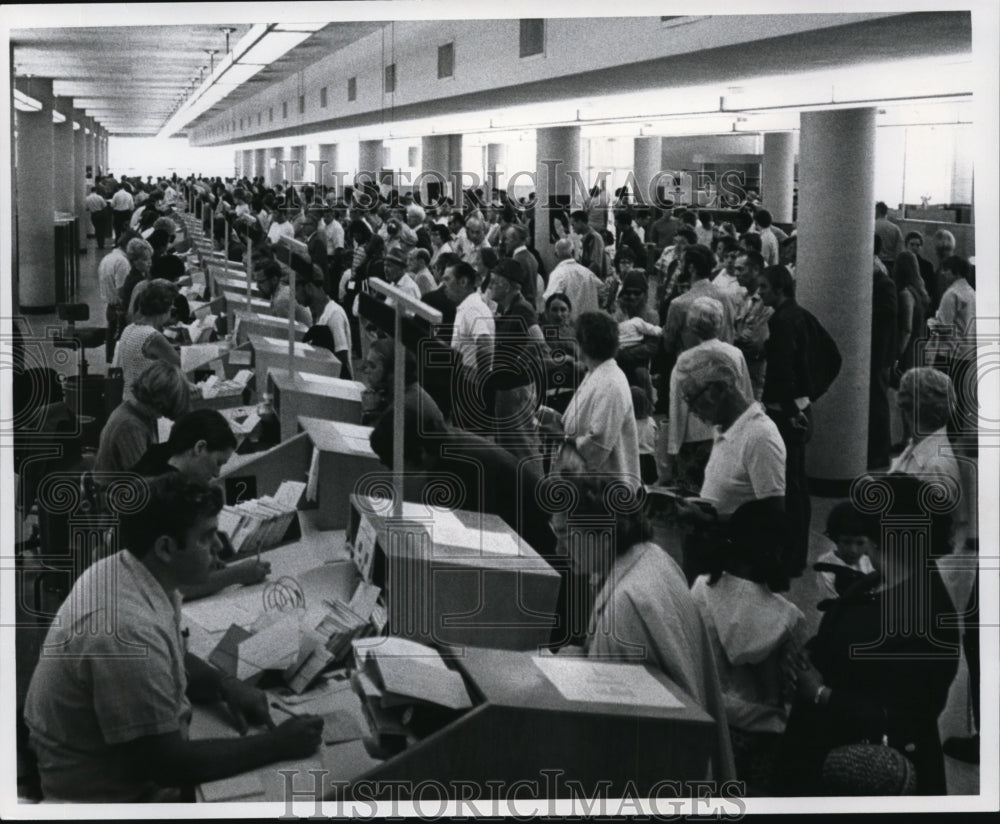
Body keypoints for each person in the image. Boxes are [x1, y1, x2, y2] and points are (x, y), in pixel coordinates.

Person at [23, 474, 324, 802]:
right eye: (207, 537)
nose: (220, 548)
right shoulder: (125, 631)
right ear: (166, 547)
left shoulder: (137, 572)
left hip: (123, 767)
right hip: (104, 799)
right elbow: (168, 765)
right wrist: (278, 744)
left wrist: (223, 684)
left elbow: (173, 655)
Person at [776, 473, 959, 796]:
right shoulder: (875, 581)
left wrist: (820, 694)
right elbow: (840, 634)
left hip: (867, 772)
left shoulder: (927, 617)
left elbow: (906, 715)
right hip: (828, 746)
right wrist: (809, 653)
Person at [569, 478, 735, 782]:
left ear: (603, 538)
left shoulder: (622, 612)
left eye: (566, 535)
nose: (559, 547)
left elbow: (612, 742)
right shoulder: (653, 555)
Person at [691, 499, 807, 795]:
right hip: (761, 732)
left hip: (708, 714)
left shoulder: (702, 588)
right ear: (778, 551)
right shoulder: (789, 617)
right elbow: (787, 688)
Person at [131, 410, 270, 600]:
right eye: (218, 462)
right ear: (200, 447)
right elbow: (177, 586)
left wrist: (204, 556)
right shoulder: (162, 493)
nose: (216, 473)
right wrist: (238, 574)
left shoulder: (158, 457)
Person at [758, 264, 813, 577]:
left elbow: (783, 370)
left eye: (764, 288)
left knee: (789, 485)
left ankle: (791, 557)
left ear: (779, 289)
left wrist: (790, 411)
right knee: (797, 484)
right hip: (799, 406)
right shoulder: (799, 315)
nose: (760, 292)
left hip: (786, 411)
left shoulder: (781, 320)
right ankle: (797, 552)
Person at [668, 297, 753, 495]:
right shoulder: (735, 354)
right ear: (720, 322)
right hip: (730, 433)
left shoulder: (685, 361)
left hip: (693, 438)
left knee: (693, 494)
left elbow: (677, 406)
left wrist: (673, 447)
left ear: (691, 324)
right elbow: (746, 394)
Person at [557, 311, 640, 487]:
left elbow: (597, 444)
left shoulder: (610, 382)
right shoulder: (595, 372)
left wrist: (563, 436)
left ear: (583, 344)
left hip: (602, 490)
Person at [94, 360, 191, 475]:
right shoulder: (130, 426)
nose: (162, 417)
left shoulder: (139, 412)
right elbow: (143, 482)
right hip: (111, 490)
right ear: (159, 403)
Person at [114, 279, 182, 402]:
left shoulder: (130, 328)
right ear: (164, 309)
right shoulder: (152, 336)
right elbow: (179, 366)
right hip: (147, 403)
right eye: (171, 308)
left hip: (129, 399)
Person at [294, 259, 353, 379]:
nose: (295, 295)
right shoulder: (315, 313)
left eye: (297, 289)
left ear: (309, 287)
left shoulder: (334, 314)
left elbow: (341, 357)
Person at [814, 501, 876, 600]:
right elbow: (831, 604)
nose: (853, 550)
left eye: (860, 543)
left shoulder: (873, 562)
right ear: (835, 538)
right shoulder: (826, 564)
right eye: (846, 542)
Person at [544, 237, 604, 317]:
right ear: (573, 252)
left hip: (570, 322)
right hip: (590, 322)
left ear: (556, 254)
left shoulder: (558, 274)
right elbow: (602, 290)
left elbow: (549, 299)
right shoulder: (587, 272)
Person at [253, 259, 312, 326]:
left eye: (260, 282)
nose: (257, 286)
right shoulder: (281, 291)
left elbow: (283, 333)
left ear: (274, 280)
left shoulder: (281, 301)